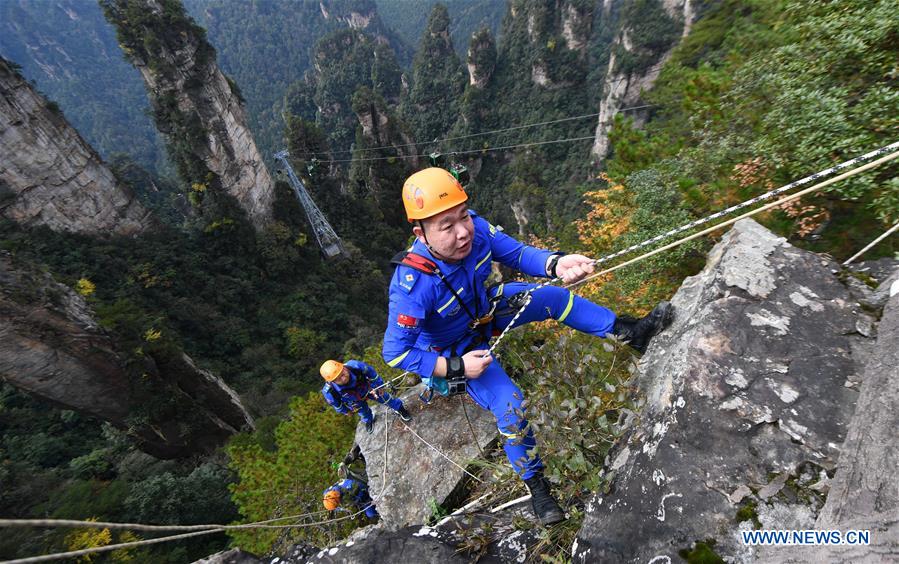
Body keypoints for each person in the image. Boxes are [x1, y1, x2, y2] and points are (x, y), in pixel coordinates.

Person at [381, 168, 673, 525]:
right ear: (421, 233)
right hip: (456, 350)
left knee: (552, 297)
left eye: (463, 216)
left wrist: (557, 263)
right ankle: (538, 490)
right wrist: (456, 368)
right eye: (447, 226)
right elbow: (396, 353)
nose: (463, 232)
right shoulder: (412, 286)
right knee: (511, 407)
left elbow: (518, 255)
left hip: (485, 313)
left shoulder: (477, 229)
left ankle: (630, 333)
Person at [320, 359, 412, 434]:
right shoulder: (330, 392)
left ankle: (399, 408)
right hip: (354, 400)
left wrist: (380, 386)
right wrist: (346, 411)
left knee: (386, 398)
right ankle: (368, 420)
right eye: (339, 379)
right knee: (363, 412)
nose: (343, 379)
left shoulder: (355, 366)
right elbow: (337, 405)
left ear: (343, 367)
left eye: (343, 374)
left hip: (369, 388)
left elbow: (372, 374)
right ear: (332, 381)